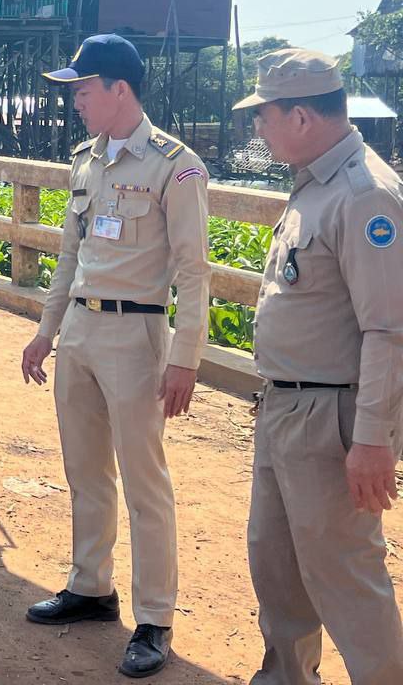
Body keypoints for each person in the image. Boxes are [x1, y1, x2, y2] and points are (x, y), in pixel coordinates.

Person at [20, 33, 210, 678]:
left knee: (144, 481)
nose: (74, 101)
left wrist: (185, 359)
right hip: (80, 329)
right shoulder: (86, 160)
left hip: (136, 336)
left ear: (118, 89)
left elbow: (194, 272)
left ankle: (154, 617)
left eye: (82, 89)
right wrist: (47, 330)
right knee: (85, 470)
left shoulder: (175, 166)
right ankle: (91, 586)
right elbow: (69, 256)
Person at [234, 48, 403, 685]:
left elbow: (389, 330)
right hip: (285, 404)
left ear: (301, 116)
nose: (258, 127)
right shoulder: (315, 184)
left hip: (332, 416)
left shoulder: (364, 195)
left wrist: (372, 440)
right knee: (276, 562)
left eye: (264, 115)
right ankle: (286, 677)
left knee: (343, 573)